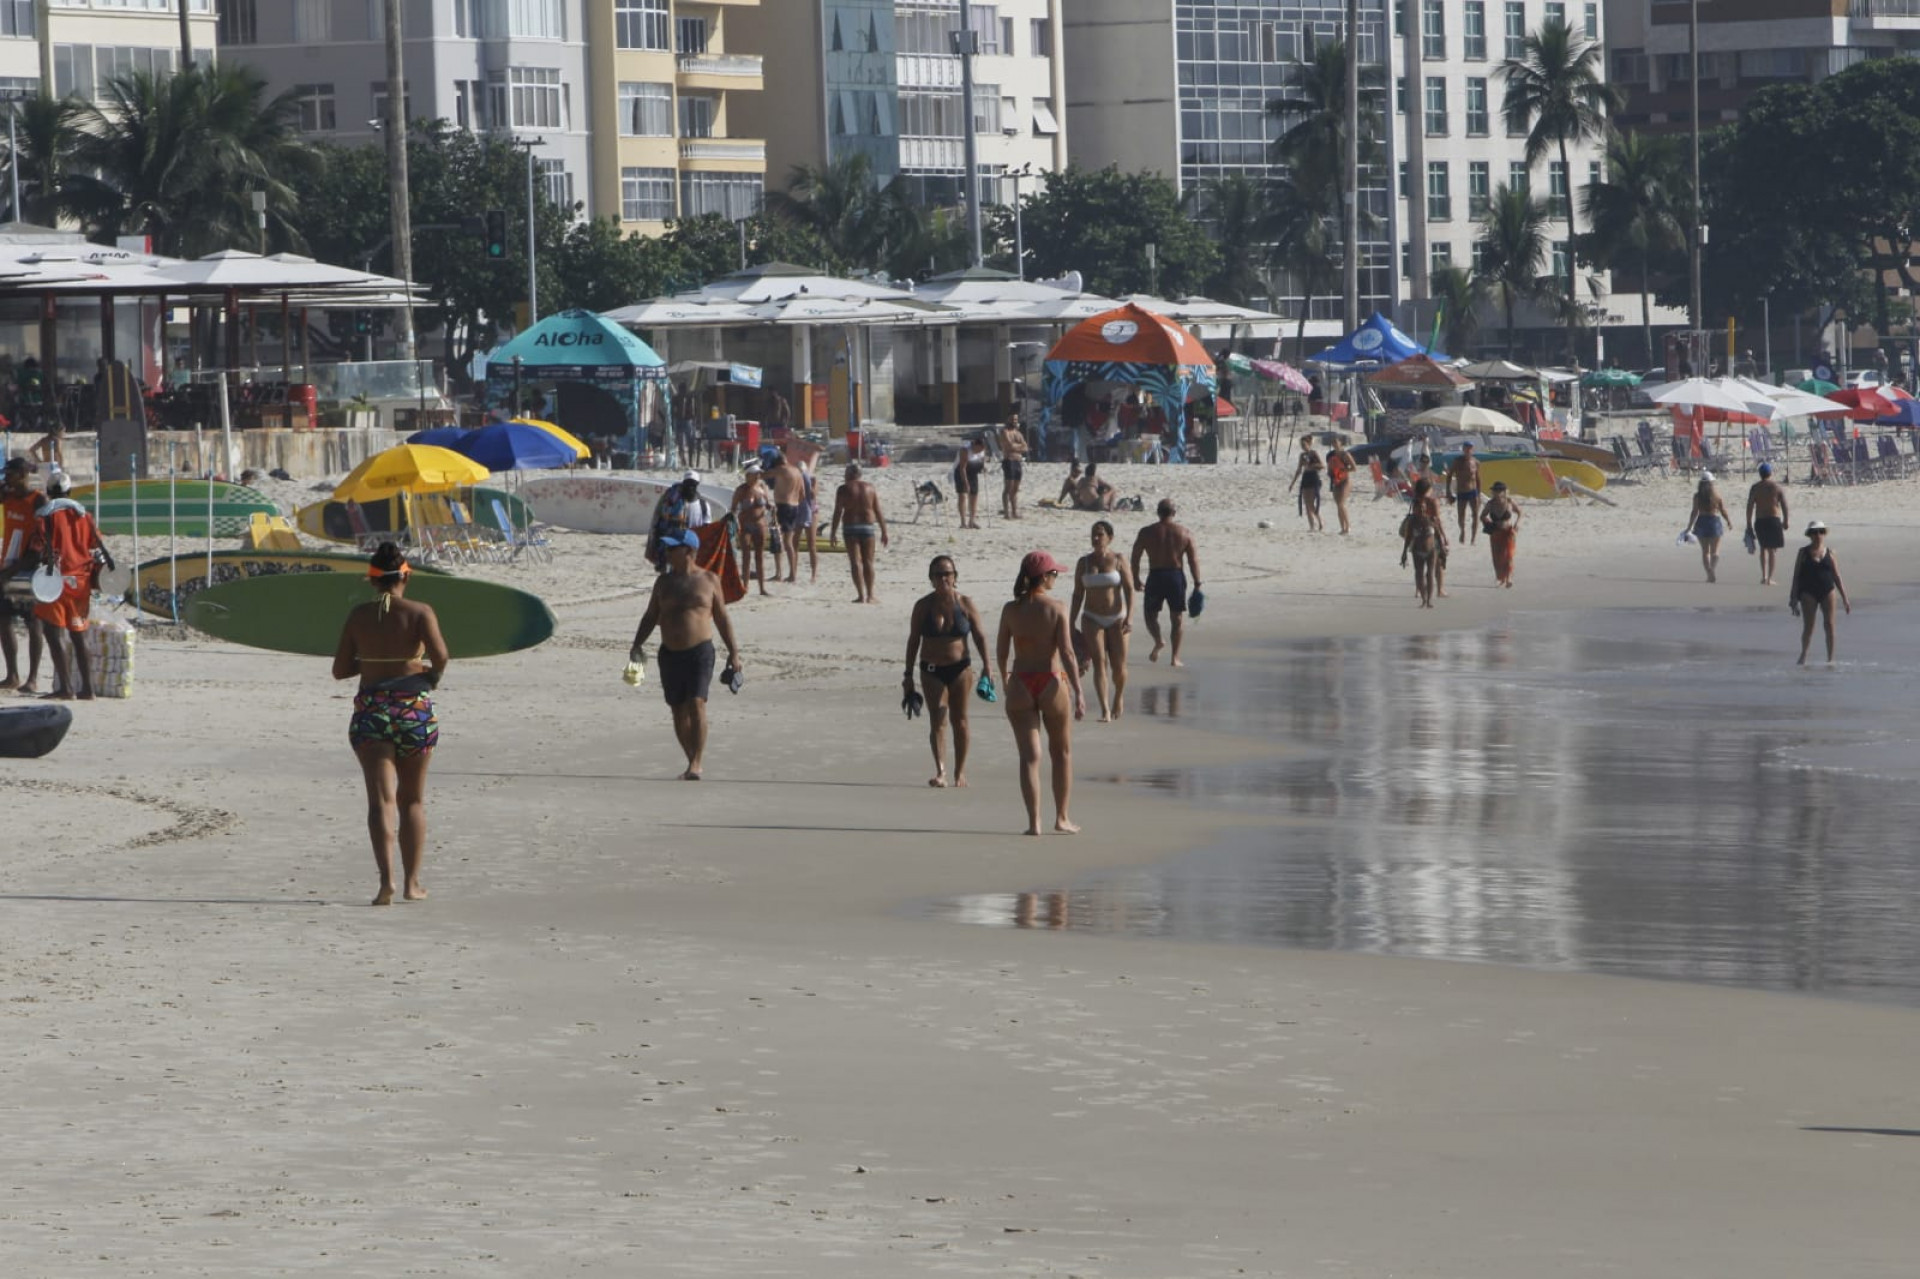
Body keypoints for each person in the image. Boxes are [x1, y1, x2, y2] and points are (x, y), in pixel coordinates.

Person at [331, 542, 449, 906]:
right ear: (406, 576)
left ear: (372, 581)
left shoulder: (358, 616)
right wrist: (430, 675)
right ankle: (413, 884)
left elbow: (339, 670)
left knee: (380, 801)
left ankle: (387, 884)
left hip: (371, 712)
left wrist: (371, 664)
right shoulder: (420, 612)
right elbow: (442, 656)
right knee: (411, 799)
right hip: (413, 711)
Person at [629, 528, 742, 780]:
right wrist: (637, 644)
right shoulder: (663, 583)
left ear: (689, 551)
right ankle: (691, 758)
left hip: (700, 652)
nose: (667, 553)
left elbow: (722, 618)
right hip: (669, 653)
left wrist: (734, 653)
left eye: (672, 548)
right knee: (677, 709)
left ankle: (697, 763)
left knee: (696, 703)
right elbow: (650, 616)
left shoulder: (710, 580)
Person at [996, 550, 1086, 835]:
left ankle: (1034, 823)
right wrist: (1080, 692)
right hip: (1051, 680)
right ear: (1044, 577)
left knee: (1029, 757)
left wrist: (1005, 679)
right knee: (1061, 753)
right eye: (1054, 574)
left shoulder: (1011, 609)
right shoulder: (1057, 607)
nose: (1055, 578)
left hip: (1021, 681)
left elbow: (1001, 651)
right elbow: (1068, 653)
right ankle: (1061, 818)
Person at [903, 555, 991, 788]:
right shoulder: (923, 606)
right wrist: (908, 676)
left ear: (955, 577)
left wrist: (988, 669)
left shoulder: (965, 604)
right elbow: (913, 641)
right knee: (937, 719)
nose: (943, 578)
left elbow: (980, 637)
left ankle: (959, 771)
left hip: (960, 668)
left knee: (960, 720)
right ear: (931, 579)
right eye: (938, 574)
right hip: (931, 669)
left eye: (948, 574)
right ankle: (940, 770)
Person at [32, 471, 110, 700]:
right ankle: (88, 689)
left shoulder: (44, 517)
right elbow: (96, 544)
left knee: (54, 633)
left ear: (48, 492)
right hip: (81, 583)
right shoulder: (85, 516)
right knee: (79, 635)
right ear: (70, 492)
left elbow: (36, 550)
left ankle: (66, 688)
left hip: (54, 580)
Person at [1069, 520, 1134, 723]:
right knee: (1099, 663)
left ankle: (1119, 696)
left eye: (1101, 534)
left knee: (1119, 666)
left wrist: (1130, 617)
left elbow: (1129, 590)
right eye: (1094, 534)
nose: (1096, 538)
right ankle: (1105, 709)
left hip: (1117, 618)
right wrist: (1070, 622)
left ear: (1110, 538)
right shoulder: (1084, 563)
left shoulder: (1119, 559)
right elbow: (1078, 594)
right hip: (1091, 618)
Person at [1129, 498, 1202, 667]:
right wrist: (1197, 582)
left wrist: (1135, 577)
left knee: (1150, 614)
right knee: (1176, 617)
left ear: (1158, 512)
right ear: (1174, 513)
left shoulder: (1146, 532)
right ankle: (1175, 658)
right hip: (1175, 576)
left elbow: (1135, 557)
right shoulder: (1185, 533)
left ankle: (1158, 640)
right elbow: (1193, 561)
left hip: (1155, 576)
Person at [0, 457, 44, 691]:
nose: (6, 478)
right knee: (4, 620)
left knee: (33, 622)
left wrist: (13, 570)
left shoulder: (37, 500)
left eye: (11, 474)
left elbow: (40, 543)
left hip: (28, 566)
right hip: (6, 564)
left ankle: (33, 678)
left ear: (23, 475)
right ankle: (12, 674)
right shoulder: (7, 496)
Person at [1789, 520, 1849, 666]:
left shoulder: (1830, 552)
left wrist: (1845, 598)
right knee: (1809, 626)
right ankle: (1803, 655)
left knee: (1829, 624)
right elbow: (1796, 576)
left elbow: (1837, 575)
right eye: (1815, 532)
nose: (1818, 535)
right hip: (1808, 592)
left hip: (1827, 590)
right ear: (1809, 535)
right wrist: (1793, 598)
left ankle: (1830, 659)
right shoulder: (1803, 553)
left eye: (1821, 532)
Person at [828, 461, 889, 604]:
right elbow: (878, 511)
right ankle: (871, 595)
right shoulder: (870, 488)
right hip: (868, 526)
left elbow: (838, 512)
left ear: (850, 474)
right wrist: (884, 531)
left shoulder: (843, 489)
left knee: (855, 561)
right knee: (868, 562)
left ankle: (861, 596)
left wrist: (833, 532)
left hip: (850, 527)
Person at [769, 441, 820, 582]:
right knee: (795, 543)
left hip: (807, 510)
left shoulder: (808, 478)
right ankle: (794, 573)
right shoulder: (800, 475)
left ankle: (812, 574)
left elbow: (812, 495)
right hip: (801, 509)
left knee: (810, 544)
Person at [647, 470, 716, 571]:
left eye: (693, 484)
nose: (690, 487)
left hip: (693, 546)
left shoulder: (704, 506)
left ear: (697, 485)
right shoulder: (673, 503)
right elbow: (661, 522)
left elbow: (707, 528)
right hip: (675, 545)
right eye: (687, 484)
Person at [728, 460, 774, 597]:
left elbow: (767, 503)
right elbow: (733, 509)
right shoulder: (741, 490)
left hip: (760, 524)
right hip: (745, 525)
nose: (758, 476)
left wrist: (770, 507)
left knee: (760, 557)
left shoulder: (762, 488)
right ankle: (745, 586)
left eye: (759, 474)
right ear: (748, 475)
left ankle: (762, 588)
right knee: (746, 556)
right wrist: (735, 524)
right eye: (755, 474)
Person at [1745, 463, 1790, 586]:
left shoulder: (1755, 488)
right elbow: (1784, 506)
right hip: (1773, 520)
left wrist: (1748, 524)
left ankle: (1764, 576)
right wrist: (1786, 520)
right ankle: (1770, 578)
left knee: (1763, 548)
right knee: (1772, 550)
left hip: (1760, 520)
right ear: (1770, 473)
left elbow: (1749, 506)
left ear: (1760, 474)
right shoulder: (1777, 487)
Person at [1686, 470, 1732, 583]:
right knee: (1715, 552)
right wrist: (1728, 521)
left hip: (1701, 522)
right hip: (1714, 522)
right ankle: (1712, 569)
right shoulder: (1716, 496)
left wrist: (1689, 527)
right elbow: (1723, 511)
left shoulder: (1697, 496)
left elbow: (1694, 512)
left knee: (1705, 551)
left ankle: (1709, 573)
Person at [1409, 476, 1450, 598]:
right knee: (1438, 562)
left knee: (1419, 566)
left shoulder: (1415, 501)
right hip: (1431, 533)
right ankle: (1440, 590)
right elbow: (1437, 520)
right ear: (1429, 488)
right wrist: (1443, 536)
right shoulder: (1432, 501)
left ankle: (1418, 590)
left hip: (1417, 534)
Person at [1400, 500, 1442, 608]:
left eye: (1423, 507)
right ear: (1414, 510)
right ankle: (1423, 599)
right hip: (1417, 551)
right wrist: (1404, 553)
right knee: (1419, 574)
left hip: (1432, 551)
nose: (1422, 510)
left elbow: (1438, 535)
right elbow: (1408, 538)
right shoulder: (1412, 522)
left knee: (1430, 574)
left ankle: (1429, 600)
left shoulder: (1431, 519)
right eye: (1419, 508)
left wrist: (1442, 550)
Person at [1480, 480, 1522, 588]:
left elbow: (1520, 512)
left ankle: (1508, 578)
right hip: (1496, 533)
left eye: (1499, 490)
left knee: (1509, 556)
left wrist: (1517, 523)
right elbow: (1482, 516)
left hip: (1508, 532)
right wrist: (1488, 524)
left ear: (1504, 491)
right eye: (1495, 490)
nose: (1497, 492)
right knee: (1497, 557)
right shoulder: (1490, 504)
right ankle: (1500, 578)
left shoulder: (1509, 502)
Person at [1447, 441, 1482, 544]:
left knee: (1475, 515)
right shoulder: (1457, 461)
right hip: (1461, 491)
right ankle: (1462, 531)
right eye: (1466, 448)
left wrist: (1479, 494)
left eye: (1470, 448)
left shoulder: (1476, 462)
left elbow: (1478, 479)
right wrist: (1448, 492)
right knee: (1461, 516)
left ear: (1472, 450)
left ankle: (1473, 539)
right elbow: (1449, 476)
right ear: (1463, 449)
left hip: (1473, 491)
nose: (1468, 450)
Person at [951, 435, 987, 529]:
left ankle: (972, 521)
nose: (980, 451)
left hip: (973, 473)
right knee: (962, 496)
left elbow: (982, 461)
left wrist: (984, 468)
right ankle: (963, 522)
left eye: (982, 449)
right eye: (978, 449)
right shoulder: (965, 450)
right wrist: (966, 483)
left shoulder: (982, 449)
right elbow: (962, 468)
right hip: (961, 473)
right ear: (975, 445)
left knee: (974, 496)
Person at [998, 412, 1028, 520]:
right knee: (1008, 487)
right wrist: (1018, 446)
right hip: (1009, 460)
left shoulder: (1018, 433)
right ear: (1008, 420)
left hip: (1018, 461)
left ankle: (1015, 511)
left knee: (1015, 488)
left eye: (1016, 420)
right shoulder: (1004, 432)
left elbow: (1025, 447)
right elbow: (1009, 445)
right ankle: (1007, 512)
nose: (1014, 422)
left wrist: (1016, 447)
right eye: (1012, 419)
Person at [1291, 437, 1324, 531]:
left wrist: (1311, 466)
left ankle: (1320, 521)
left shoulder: (1314, 453)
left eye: (1304, 445)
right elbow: (1299, 470)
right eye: (1301, 445)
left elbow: (1322, 465)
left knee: (1311, 503)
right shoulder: (1302, 455)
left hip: (1314, 478)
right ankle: (1312, 526)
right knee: (1306, 503)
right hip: (1305, 478)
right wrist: (1292, 483)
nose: (1303, 447)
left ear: (1309, 444)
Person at [1326, 438, 1356, 535]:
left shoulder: (1345, 455)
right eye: (1333, 442)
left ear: (1341, 443)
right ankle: (1342, 528)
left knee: (1341, 503)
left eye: (1336, 442)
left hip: (1345, 481)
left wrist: (1343, 470)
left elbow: (1354, 468)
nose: (1334, 443)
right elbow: (1329, 469)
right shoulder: (1330, 455)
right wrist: (1332, 473)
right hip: (1336, 482)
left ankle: (1348, 526)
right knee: (1338, 505)